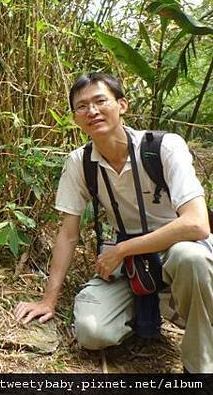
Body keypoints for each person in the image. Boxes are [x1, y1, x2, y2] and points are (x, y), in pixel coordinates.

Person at [13, 72, 213, 373]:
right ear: (75, 118)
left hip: (177, 252)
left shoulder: (164, 147)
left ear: (122, 105)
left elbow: (197, 224)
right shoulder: (80, 163)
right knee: (93, 332)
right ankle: (153, 308)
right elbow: (68, 234)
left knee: (191, 256)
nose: (91, 111)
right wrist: (48, 299)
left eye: (100, 101)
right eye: (82, 107)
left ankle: (199, 368)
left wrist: (122, 249)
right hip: (133, 265)